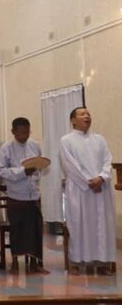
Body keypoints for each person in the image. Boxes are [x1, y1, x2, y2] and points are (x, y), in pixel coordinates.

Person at [59, 107, 115, 276]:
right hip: (79, 190)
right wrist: (88, 182)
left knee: (101, 225)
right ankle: (76, 262)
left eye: (88, 114)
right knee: (79, 225)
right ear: (73, 120)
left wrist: (102, 178)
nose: (87, 116)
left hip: (101, 189)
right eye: (82, 114)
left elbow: (108, 161)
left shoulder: (100, 140)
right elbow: (70, 165)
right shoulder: (66, 140)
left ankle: (103, 262)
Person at [0, 117, 49, 275]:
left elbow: (41, 165)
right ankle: (15, 262)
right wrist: (21, 172)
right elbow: (1, 170)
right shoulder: (7, 148)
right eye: (21, 133)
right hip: (16, 196)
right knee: (17, 230)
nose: (24, 136)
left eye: (27, 132)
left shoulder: (34, 145)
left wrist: (36, 171)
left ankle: (35, 263)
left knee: (35, 229)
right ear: (13, 132)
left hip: (33, 195)